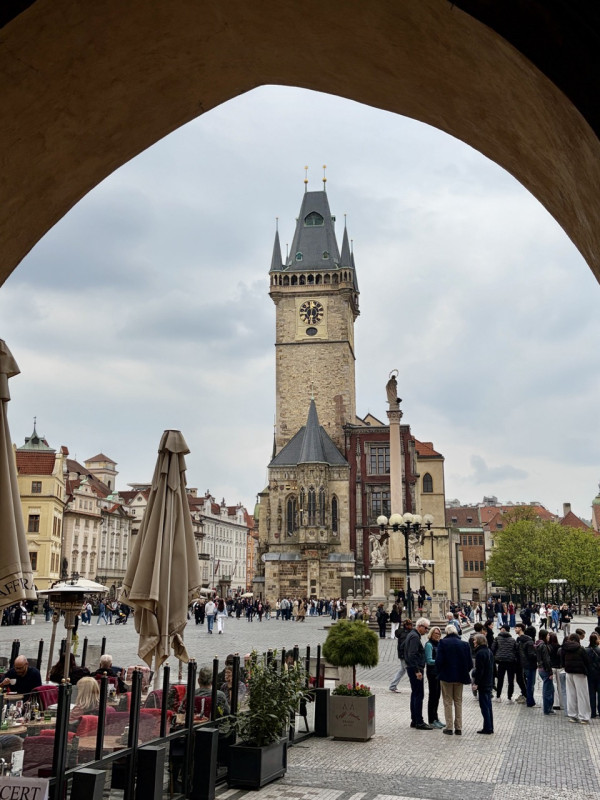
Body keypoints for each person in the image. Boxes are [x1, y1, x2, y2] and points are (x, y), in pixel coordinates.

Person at [435, 623, 472, 736]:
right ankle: (459, 727)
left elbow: (438, 661)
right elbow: (470, 663)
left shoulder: (443, 643)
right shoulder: (464, 644)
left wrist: (440, 671)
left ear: (447, 632)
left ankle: (449, 727)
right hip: (460, 677)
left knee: (447, 702)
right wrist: (463, 671)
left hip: (446, 676)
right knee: (458, 701)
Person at [404, 617, 432, 730]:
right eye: (426, 628)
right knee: (419, 695)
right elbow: (412, 654)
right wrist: (417, 671)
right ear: (420, 626)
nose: (426, 630)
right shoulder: (415, 637)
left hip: (411, 667)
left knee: (415, 694)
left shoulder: (411, 635)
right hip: (415, 669)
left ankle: (414, 720)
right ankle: (419, 721)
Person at [561, 632, 591, 723]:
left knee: (571, 694)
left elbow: (562, 661)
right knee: (582, 695)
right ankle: (584, 716)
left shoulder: (565, 648)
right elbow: (587, 661)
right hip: (580, 673)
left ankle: (572, 715)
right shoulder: (581, 649)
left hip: (569, 672)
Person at [472, 633, 494, 734]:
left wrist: (476, 683)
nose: (473, 642)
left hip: (483, 682)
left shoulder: (480, 653)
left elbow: (480, 670)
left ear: (479, 641)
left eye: (475, 640)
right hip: (488, 681)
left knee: (484, 706)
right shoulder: (489, 651)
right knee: (488, 705)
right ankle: (490, 726)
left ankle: (487, 728)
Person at [491, 624, 518, 703]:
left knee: (500, 680)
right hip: (511, 662)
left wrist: (496, 657)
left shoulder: (497, 639)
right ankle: (509, 698)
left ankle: (498, 697)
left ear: (503, 629)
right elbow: (516, 650)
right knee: (510, 680)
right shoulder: (513, 640)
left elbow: (493, 649)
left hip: (501, 662)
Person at [424, 627, 444, 728]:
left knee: (437, 696)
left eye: (439, 634)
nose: (438, 635)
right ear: (431, 634)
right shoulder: (429, 645)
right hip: (432, 673)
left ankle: (436, 718)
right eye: (436, 633)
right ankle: (431, 719)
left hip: (438, 672)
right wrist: (439, 662)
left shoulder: (439, 644)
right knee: (433, 696)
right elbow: (429, 660)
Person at [515, 622, 537, 707]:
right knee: (531, 684)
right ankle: (530, 701)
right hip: (530, 665)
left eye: (516, 628)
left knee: (528, 683)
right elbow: (531, 655)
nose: (515, 629)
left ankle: (529, 699)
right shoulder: (529, 642)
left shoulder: (520, 640)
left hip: (523, 664)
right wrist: (537, 656)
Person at [535, 629, 555, 715]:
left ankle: (549, 708)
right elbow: (546, 660)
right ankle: (547, 709)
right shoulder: (543, 645)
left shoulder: (538, 644)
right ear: (544, 636)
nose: (549, 637)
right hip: (545, 669)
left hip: (541, 668)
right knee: (548, 690)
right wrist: (550, 672)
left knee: (550, 689)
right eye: (547, 635)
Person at [389, 619, 412, 693]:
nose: (411, 626)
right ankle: (413, 686)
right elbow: (403, 646)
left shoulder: (406, 632)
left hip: (403, 654)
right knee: (408, 670)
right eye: (410, 625)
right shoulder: (404, 634)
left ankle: (393, 685)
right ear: (406, 625)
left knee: (402, 670)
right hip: (404, 655)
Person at [586, 632, 600, 718]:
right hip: (598, 674)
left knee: (591, 694)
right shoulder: (599, 650)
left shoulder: (585, 650)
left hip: (589, 674)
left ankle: (592, 712)